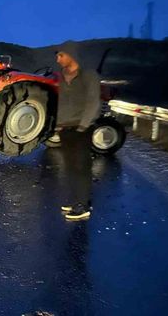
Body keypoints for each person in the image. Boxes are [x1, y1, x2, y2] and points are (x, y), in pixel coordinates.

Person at [55, 41, 101, 220]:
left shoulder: (88, 75)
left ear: (71, 54)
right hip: (65, 128)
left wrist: (83, 125)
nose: (58, 59)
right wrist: (59, 124)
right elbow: (62, 102)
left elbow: (93, 101)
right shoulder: (62, 76)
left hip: (82, 128)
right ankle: (76, 200)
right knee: (70, 167)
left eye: (61, 55)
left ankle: (83, 206)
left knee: (82, 167)